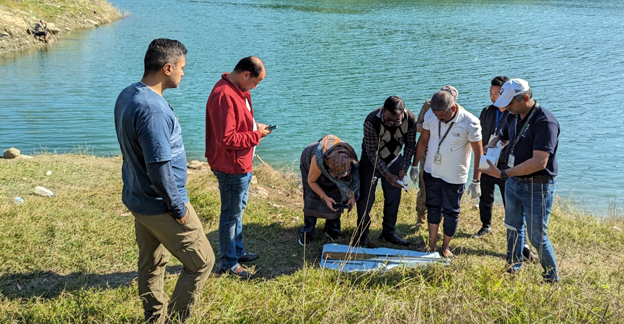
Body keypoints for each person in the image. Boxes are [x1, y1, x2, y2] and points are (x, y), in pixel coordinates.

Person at [114, 38, 215, 323]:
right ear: (167, 68)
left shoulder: (128, 94)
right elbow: (159, 169)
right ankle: (175, 319)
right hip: (160, 204)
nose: (184, 73)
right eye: (182, 68)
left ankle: (153, 317)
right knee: (202, 262)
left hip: (138, 198)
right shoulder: (153, 110)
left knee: (152, 262)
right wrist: (178, 208)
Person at [482, 78, 560, 282]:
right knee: (512, 227)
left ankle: (551, 278)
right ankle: (513, 267)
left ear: (525, 98)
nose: (506, 107)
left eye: (510, 103)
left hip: (537, 185)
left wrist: (504, 174)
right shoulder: (512, 114)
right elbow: (502, 136)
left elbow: (539, 162)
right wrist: (493, 144)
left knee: (536, 236)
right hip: (514, 182)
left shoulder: (545, 122)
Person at [205, 56, 272, 278]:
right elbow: (227, 139)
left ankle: (238, 251)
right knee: (230, 215)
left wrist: (255, 126)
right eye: (256, 82)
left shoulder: (239, 90)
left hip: (241, 163)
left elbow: (238, 123)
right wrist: (256, 135)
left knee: (237, 210)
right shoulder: (224, 95)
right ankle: (229, 263)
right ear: (245, 75)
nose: (256, 86)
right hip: (230, 166)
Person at [414, 90, 482, 258]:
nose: (438, 117)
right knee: (433, 207)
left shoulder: (470, 122)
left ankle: (445, 247)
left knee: (451, 212)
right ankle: (431, 245)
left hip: (454, 177)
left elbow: (479, 152)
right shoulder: (431, 115)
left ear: (452, 107)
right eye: (435, 114)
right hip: (432, 171)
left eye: (441, 114)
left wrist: (476, 181)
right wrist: (415, 166)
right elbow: (423, 139)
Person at [354, 96, 417, 247]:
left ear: (403, 113)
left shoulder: (411, 119)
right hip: (371, 160)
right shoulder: (371, 121)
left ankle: (389, 233)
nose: (392, 123)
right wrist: (387, 175)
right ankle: (362, 236)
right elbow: (371, 152)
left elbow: (410, 145)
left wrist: (404, 167)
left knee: (393, 197)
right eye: (389, 119)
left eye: (397, 120)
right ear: (383, 110)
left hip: (395, 158)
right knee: (366, 199)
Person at [411, 85, 460, 230]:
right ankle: (420, 219)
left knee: (445, 191)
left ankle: (441, 221)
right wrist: (431, 126)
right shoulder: (428, 106)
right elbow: (417, 126)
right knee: (424, 188)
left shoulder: (459, 112)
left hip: (448, 156)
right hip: (427, 153)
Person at [298, 135, 360, 246]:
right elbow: (311, 182)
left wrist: (352, 196)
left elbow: (354, 181)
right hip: (309, 165)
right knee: (311, 199)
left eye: (342, 175)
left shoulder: (350, 158)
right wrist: (325, 197)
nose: (339, 178)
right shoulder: (318, 160)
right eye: (337, 175)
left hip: (334, 167)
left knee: (337, 195)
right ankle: (308, 231)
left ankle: (332, 230)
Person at [473, 76, 510, 238]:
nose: (493, 96)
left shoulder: (513, 113)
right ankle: (485, 226)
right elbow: (478, 136)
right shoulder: (487, 111)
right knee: (485, 196)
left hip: (506, 165)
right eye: (491, 93)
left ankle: (513, 229)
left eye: (496, 93)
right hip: (487, 160)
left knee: (510, 200)